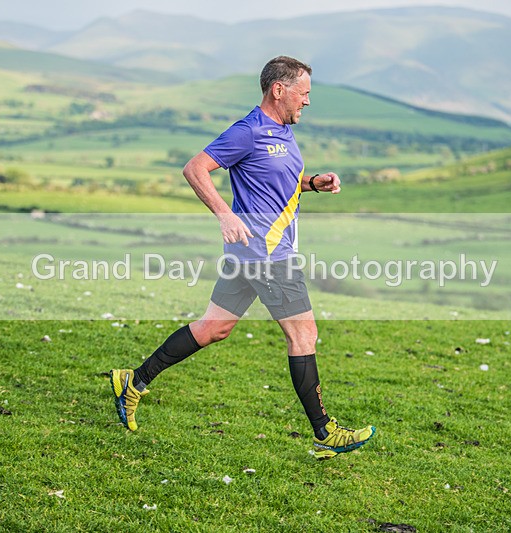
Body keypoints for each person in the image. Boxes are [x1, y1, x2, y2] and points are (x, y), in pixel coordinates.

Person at [110, 56, 375, 460]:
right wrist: (224, 213)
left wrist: (312, 183)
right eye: (303, 94)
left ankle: (134, 381)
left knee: (213, 328)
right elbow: (195, 168)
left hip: (252, 252)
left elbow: (275, 181)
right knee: (303, 336)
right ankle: (325, 433)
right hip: (265, 253)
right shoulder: (248, 131)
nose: (307, 102)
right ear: (279, 90)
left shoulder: (283, 132)